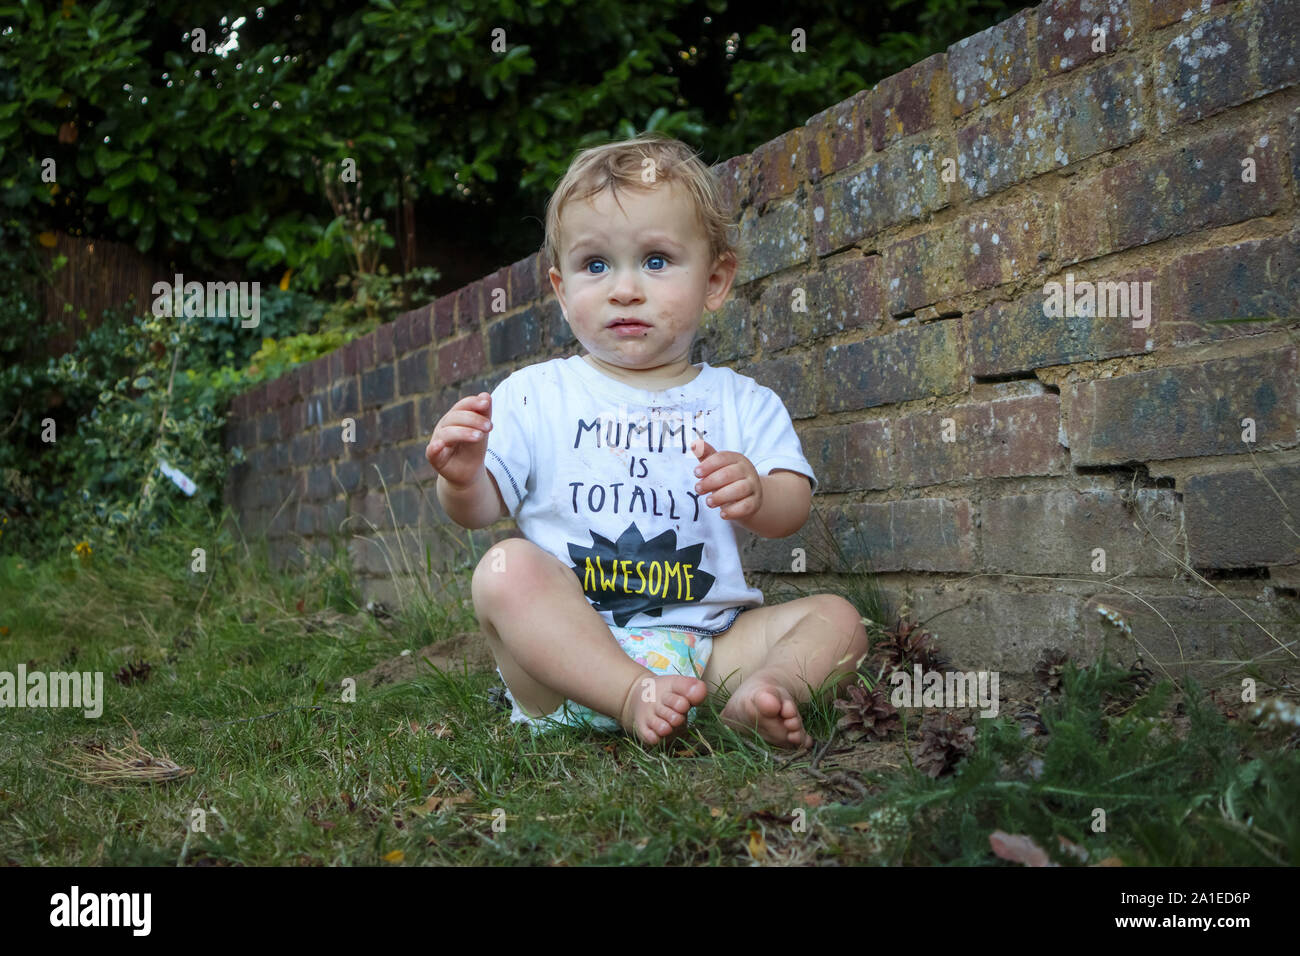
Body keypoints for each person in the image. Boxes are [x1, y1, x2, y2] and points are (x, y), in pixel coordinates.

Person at [426, 132, 868, 749]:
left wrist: (757, 492)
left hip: (709, 644)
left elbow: (791, 511)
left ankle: (763, 692)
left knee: (838, 619)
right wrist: (462, 475)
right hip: (570, 662)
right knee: (502, 568)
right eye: (595, 265)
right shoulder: (533, 395)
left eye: (656, 261)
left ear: (715, 281)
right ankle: (631, 694)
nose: (624, 288)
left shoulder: (741, 402)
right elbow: (477, 512)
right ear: (561, 289)